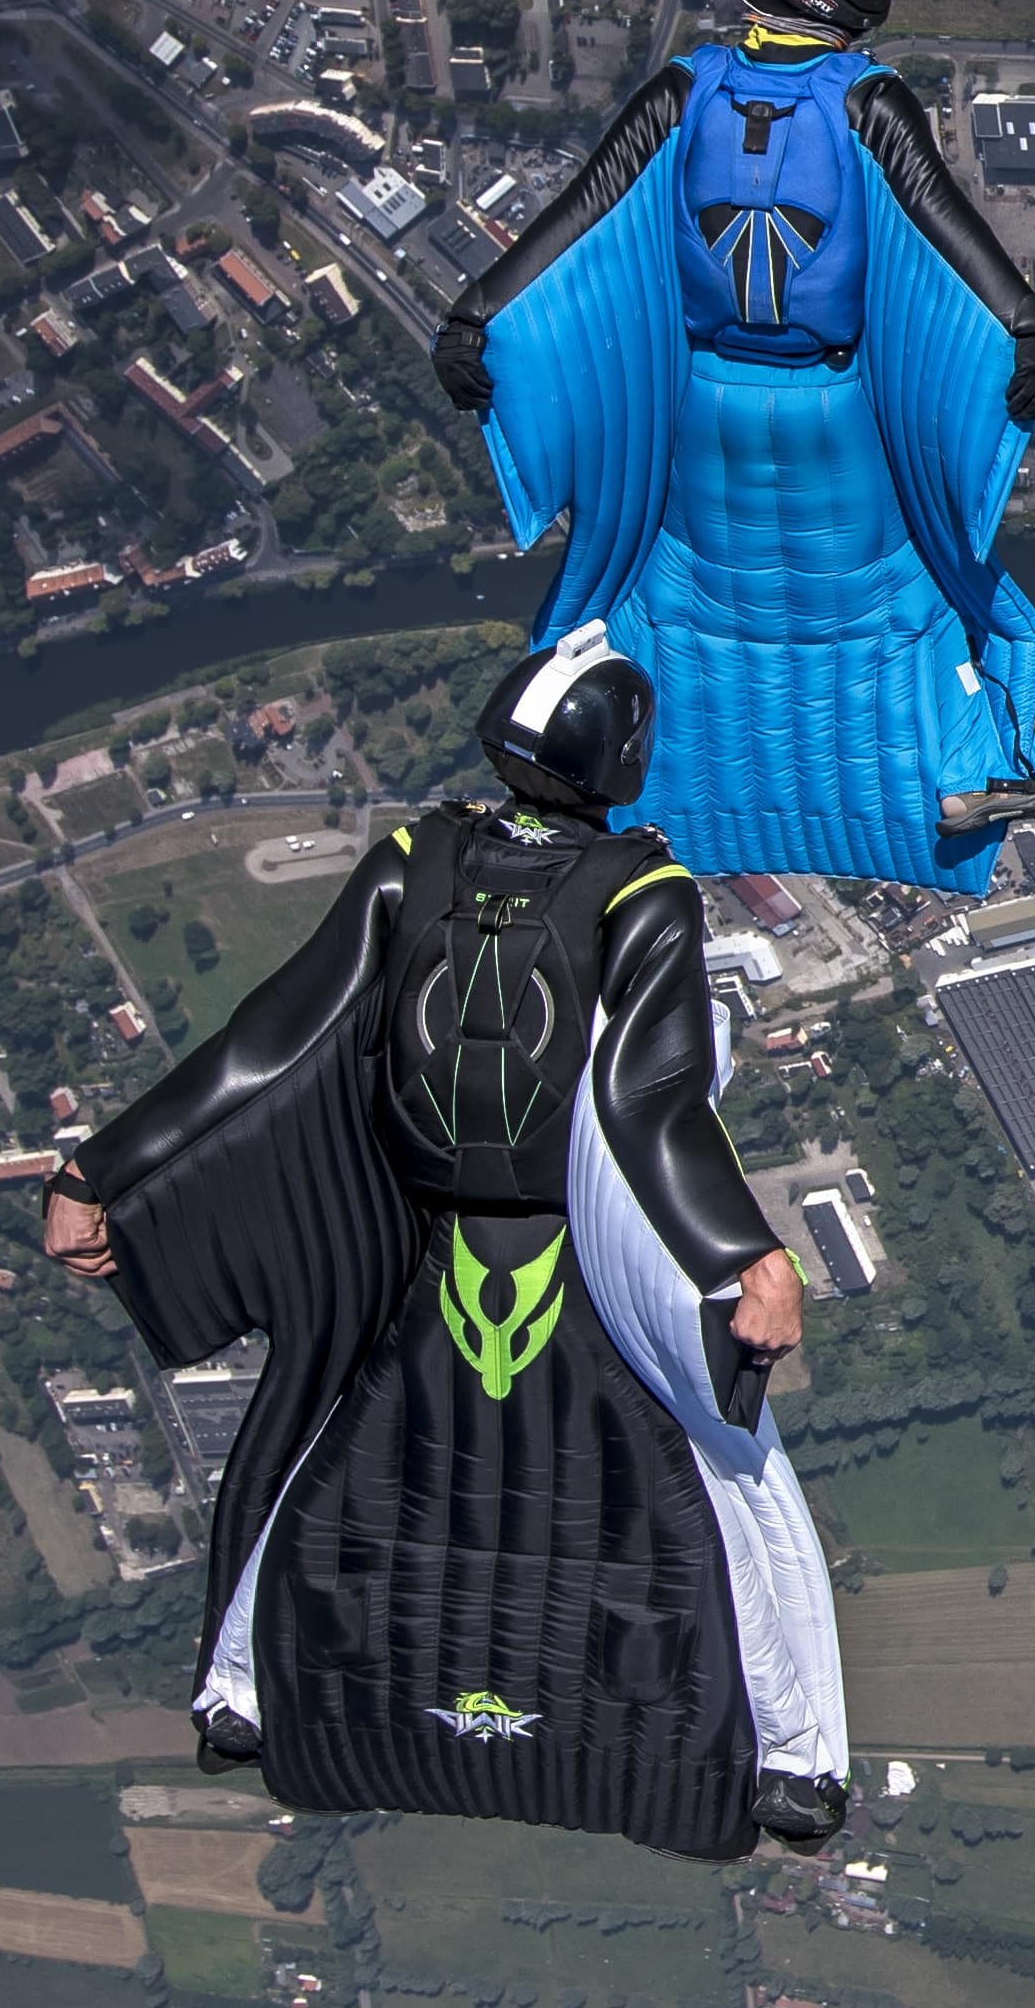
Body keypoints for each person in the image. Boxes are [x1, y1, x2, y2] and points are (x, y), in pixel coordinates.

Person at [41, 630, 851, 1858]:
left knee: (319, 1453)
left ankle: (243, 1693)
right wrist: (751, 1254)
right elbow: (650, 1101)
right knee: (732, 1487)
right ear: (621, 758)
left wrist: (92, 1170)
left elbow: (268, 1040)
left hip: (425, 1256)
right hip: (586, 1264)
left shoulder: (413, 861)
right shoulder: (643, 899)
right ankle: (794, 1763)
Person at [429, 0, 1035, 890]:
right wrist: (1026, 330)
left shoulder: (685, 93)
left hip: (697, 420)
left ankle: (608, 788)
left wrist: (480, 313)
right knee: (922, 595)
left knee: (651, 598)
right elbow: (945, 228)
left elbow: (580, 217)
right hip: (836, 420)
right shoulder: (868, 102)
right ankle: (968, 771)